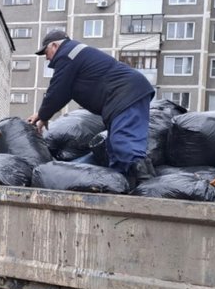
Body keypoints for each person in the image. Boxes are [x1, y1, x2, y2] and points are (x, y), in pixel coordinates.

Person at [27, 30, 156, 186]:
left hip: (126, 94)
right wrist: (43, 115)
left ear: (54, 45)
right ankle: (123, 187)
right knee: (114, 148)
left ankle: (148, 188)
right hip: (122, 97)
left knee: (125, 143)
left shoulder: (67, 55)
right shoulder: (74, 57)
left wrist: (42, 114)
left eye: (46, 52)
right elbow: (63, 93)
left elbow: (57, 90)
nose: (46, 58)